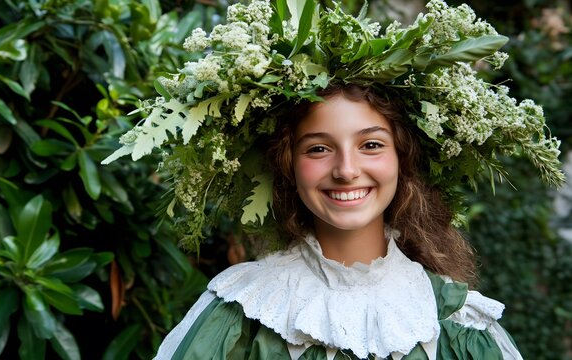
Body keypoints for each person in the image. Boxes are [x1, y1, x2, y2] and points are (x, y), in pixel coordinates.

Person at [102, 0, 564, 359]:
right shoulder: (240, 312)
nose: (346, 169)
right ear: (287, 165)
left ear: (402, 159)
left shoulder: (460, 324)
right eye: (319, 148)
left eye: (371, 145)